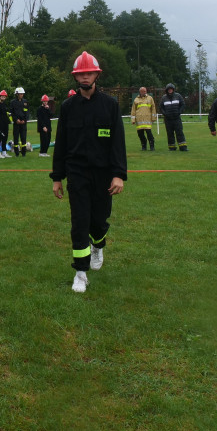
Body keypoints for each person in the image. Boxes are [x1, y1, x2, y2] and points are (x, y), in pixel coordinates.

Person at [50, 52, 127, 294]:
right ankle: (80, 273)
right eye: (81, 73)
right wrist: (57, 177)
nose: (85, 77)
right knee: (80, 221)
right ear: (76, 77)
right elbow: (60, 144)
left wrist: (118, 175)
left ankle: (99, 244)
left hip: (104, 174)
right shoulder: (68, 107)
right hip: (77, 173)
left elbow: (118, 144)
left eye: (89, 73)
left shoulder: (110, 106)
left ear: (96, 75)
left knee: (98, 220)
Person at [159, 83, 188, 151]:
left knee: (179, 132)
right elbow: (161, 107)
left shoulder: (178, 96)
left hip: (176, 118)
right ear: (167, 90)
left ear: (173, 89)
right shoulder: (163, 97)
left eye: (171, 89)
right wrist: (165, 114)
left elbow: (183, 104)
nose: (170, 90)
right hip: (168, 119)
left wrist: (179, 112)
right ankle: (172, 147)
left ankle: (183, 147)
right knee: (170, 133)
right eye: (169, 89)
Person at [130, 86, 157, 150]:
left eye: (145, 91)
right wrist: (133, 119)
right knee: (140, 134)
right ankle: (143, 146)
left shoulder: (150, 98)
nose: (145, 92)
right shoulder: (136, 99)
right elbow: (133, 110)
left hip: (147, 119)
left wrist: (153, 118)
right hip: (139, 120)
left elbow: (153, 108)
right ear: (140, 92)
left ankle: (152, 146)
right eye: (143, 91)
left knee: (149, 134)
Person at [9, 86, 30, 156]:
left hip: (23, 123)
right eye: (20, 94)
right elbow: (12, 113)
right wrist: (16, 120)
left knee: (23, 137)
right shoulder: (13, 102)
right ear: (17, 94)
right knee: (16, 137)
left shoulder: (25, 102)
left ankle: (24, 152)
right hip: (16, 123)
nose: (22, 95)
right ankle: (16, 153)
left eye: (22, 94)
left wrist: (24, 120)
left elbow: (27, 112)